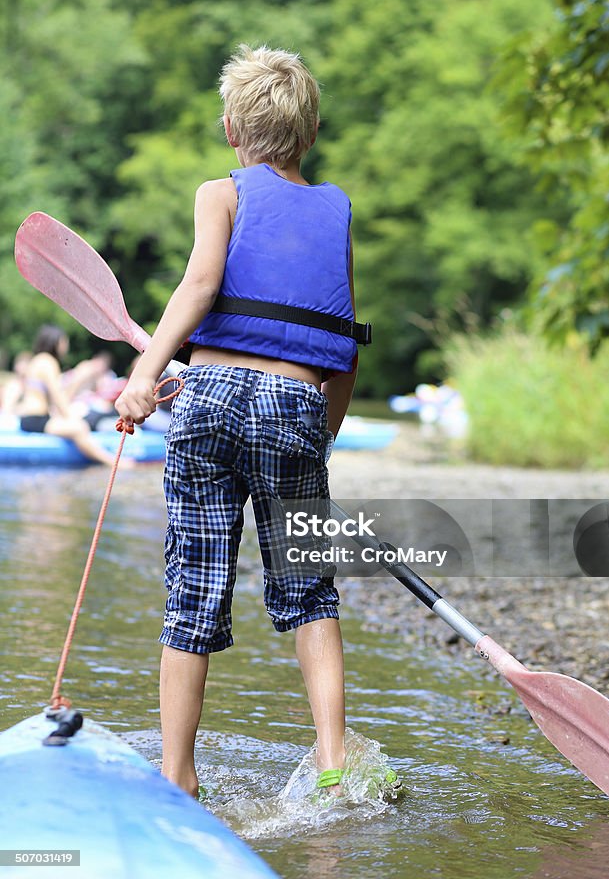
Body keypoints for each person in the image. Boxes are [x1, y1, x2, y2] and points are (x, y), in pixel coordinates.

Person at [115, 44, 376, 800]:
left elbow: (199, 285)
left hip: (210, 399)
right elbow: (345, 338)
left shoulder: (218, 192)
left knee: (193, 586)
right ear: (312, 132)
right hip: (296, 405)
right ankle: (332, 763)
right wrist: (317, 434)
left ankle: (178, 777)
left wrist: (145, 372)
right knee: (309, 593)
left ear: (232, 129)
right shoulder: (335, 210)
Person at [15, 325, 133, 468]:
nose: (66, 346)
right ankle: (112, 462)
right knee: (79, 427)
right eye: (64, 342)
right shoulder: (48, 362)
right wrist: (71, 418)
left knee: (77, 424)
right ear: (56, 342)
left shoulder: (37, 361)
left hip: (31, 418)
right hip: (35, 419)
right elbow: (58, 397)